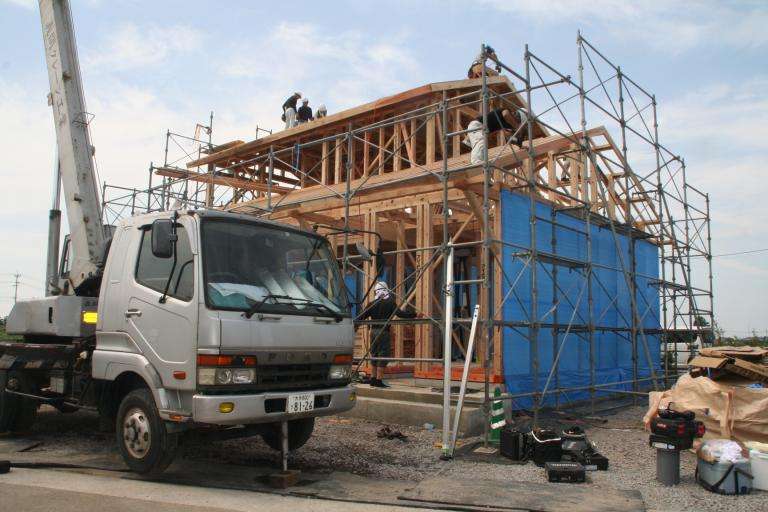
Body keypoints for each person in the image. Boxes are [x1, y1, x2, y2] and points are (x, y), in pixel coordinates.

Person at [356, 281, 417, 388]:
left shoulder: (372, 303)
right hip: (383, 332)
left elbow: (361, 317)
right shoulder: (390, 302)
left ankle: (373, 379)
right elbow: (401, 314)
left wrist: (354, 324)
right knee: (382, 355)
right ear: (386, 290)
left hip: (373, 332)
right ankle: (379, 381)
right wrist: (415, 315)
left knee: (374, 355)